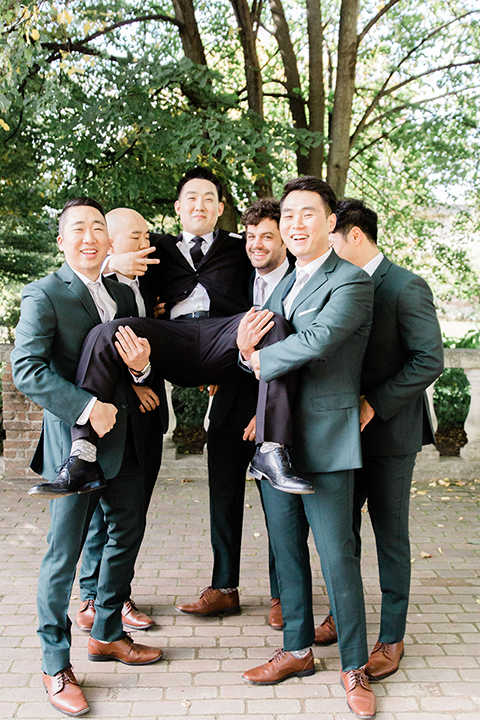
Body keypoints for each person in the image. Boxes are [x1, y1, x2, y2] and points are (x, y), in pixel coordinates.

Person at [30, 167, 312, 499]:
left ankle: (272, 449)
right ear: (178, 207)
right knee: (106, 332)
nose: (200, 205)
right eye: (191, 198)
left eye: (209, 199)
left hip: (224, 340)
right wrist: (113, 263)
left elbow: (280, 256)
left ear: (220, 209)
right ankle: (83, 456)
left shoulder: (240, 245)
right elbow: (95, 262)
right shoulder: (159, 247)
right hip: (172, 339)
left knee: (272, 322)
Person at [11, 198, 163, 717]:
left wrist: (141, 373)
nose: (90, 237)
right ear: (62, 240)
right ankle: (56, 664)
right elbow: (27, 369)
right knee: (63, 554)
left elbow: (130, 366)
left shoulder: (122, 292)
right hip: (72, 447)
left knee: (128, 531)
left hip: (127, 443)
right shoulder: (45, 294)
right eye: (78, 229)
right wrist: (84, 406)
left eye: (98, 228)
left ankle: (107, 632)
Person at [238, 177, 377, 719]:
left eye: (307, 215)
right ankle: (296, 651)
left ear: (330, 222)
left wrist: (252, 356)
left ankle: (354, 667)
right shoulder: (281, 283)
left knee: (337, 556)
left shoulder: (352, 282)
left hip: (326, 436)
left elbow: (316, 343)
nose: (295, 224)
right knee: (287, 552)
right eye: (288, 214)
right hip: (277, 439)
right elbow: (254, 341)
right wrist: (245, 355)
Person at [314, 198, 444, 680]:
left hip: (390, 433)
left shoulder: (406, 285)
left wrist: (374, 403)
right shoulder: (331, 283)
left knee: (390, 537)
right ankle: (341, 616)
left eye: (330, 238)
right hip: (338, 434)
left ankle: (391, 637)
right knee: (339, 534)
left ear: (353, 235)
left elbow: (429, 360)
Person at [176, 198, 294, 621]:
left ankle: (286, 595)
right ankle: (224, 587)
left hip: (273, 415)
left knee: (278, 507)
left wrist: (265, 414)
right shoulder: (238, 280)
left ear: (285, 239)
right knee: (222, 500)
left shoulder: (299, 284)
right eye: (251, 236)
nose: (257, 244)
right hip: (227, 405)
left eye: (268, 236)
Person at [75, 208, 168, 634]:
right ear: (111, 244)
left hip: (146, 418)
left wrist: (144, 376)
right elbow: (93, 359)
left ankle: (114, 593)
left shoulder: (148, 283)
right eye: (136, 236)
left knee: (132, 512)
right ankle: (94, 598)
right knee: (100, 515)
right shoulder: (96, 282)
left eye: (147, 233)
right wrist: (134, 386)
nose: (146, 242)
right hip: (106, 419)